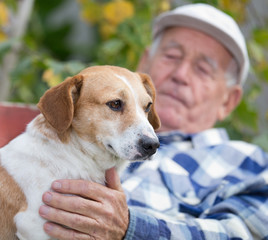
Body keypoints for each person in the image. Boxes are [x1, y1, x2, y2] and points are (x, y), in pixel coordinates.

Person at [38, 3, 268, 239]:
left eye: (202, 69)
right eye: (171, 56)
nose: (180, 75)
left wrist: (132, 228)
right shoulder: (73, 123)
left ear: (228, 102)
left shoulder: (250, 163)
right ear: (144, 63)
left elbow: (243, 233)